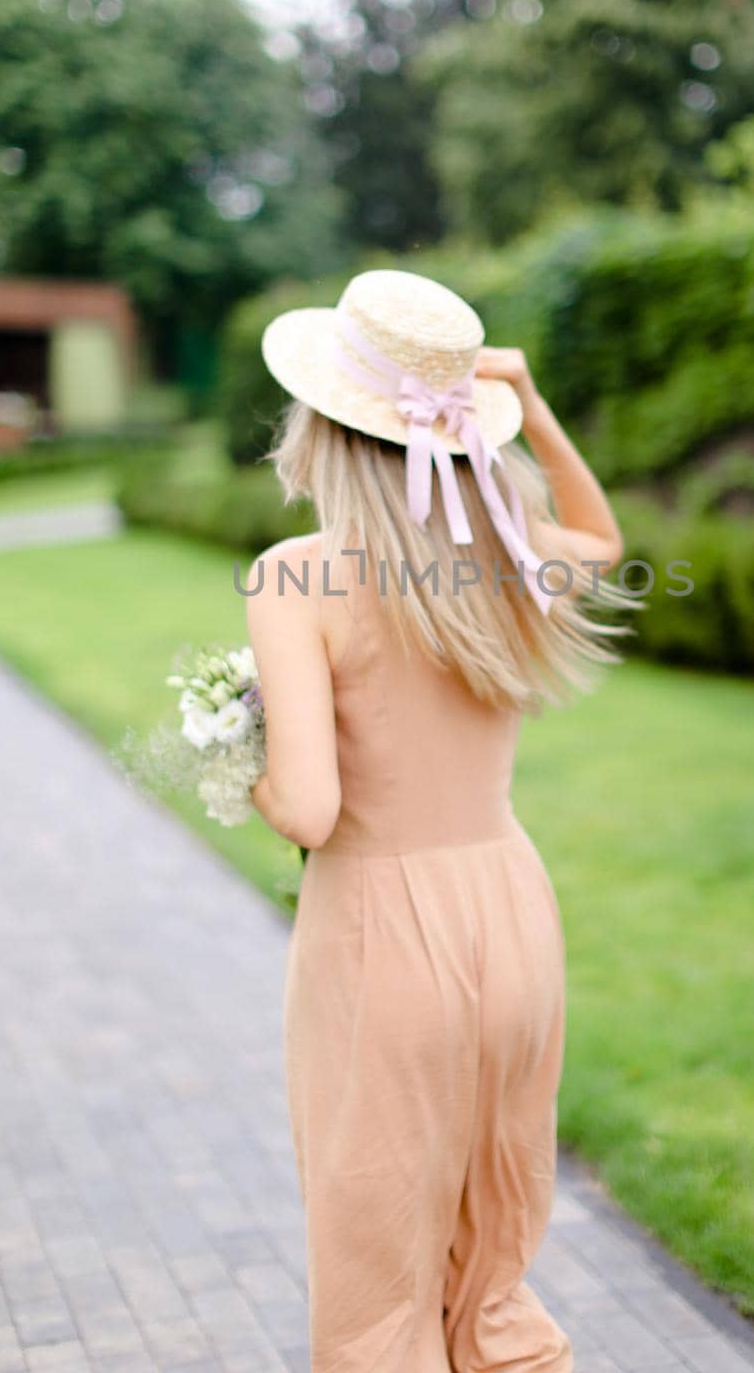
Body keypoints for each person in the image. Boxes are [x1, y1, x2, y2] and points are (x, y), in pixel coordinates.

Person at [244, 269, 639, 1372]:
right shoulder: (508, 559)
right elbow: (600, 541)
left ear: (320, 425)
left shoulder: (294, 578)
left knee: (377, 1264)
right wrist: (531, 400)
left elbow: (313, 811)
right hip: (510, 916)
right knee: (489, 1256)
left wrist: (245, 768)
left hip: (380, 935)